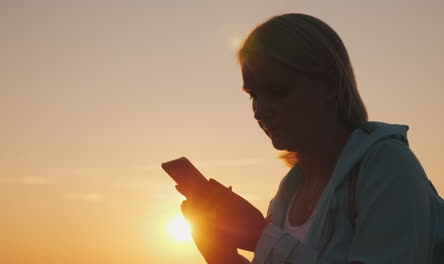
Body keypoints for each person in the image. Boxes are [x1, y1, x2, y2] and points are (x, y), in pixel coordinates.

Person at [176, 13, 438, 263]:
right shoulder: (286, 196)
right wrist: (221, 254)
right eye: (253, 94)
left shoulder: (386, 165)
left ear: (330, 85)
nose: (260, 110)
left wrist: (260, 236)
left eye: (276, 90)